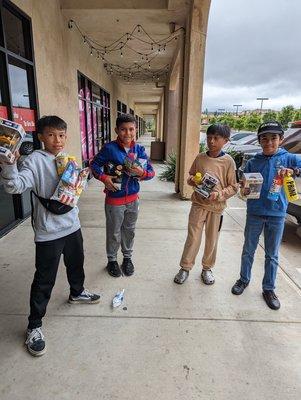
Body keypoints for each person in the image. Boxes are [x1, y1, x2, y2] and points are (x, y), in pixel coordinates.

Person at [0, 115, 100, 356]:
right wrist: (9, 165)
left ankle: (77, 292)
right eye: (52, 135)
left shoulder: (67, 158)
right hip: (48, 232)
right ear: (41, 137)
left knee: (76, 263)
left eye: (62, 135)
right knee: (45, 279)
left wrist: (80, 179)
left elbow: (75, 191)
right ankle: (34, 325)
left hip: (72, 223)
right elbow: (15, 186)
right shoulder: (34, 161)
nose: (58, 140)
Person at [231, 121, 301, 310]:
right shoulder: (253, 161)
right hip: (254, 213)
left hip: (277, 214)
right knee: (248, 250)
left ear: (281, 140)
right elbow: (244, 187)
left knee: (272, 255)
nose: (269, 142)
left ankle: (268, 288)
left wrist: (294, 171)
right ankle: (243, 280)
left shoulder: (289, 159)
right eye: (264, 138)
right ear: (259, 140)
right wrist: (244, 190)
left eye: (273, 138)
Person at [90, 113, 155, 277]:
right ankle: (111, 260)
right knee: (113, 232)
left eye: (131, 129)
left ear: (135, 129)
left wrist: (142, 173)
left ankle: (127, 258)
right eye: (123, 129)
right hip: (114, 200)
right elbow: (94, 165)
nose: (128, 133)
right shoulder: (109, 148)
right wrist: (104, 178)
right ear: (116, 130)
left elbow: (151, 172)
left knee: (129, 230)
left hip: (133, 199)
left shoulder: (139, 149)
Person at [174, 124, 238, 285]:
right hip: (198, 204)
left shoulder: (228, 161)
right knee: (193, 237)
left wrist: (219, 194)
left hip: (216, 208)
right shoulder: (200, 157)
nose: (211, 141)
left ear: (225, 141)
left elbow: (234, 187)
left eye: (216, 138)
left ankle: (207, 268)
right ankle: (185, 267)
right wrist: (191, 180)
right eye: (209, 137)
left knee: (212, 239)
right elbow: (191, 175)